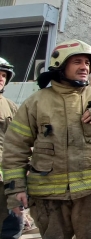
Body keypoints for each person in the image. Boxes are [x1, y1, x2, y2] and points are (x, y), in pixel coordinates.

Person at [2, 39, 91, 239]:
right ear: (61, 65)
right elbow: (15, 147)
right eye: (78, 62)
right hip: (50, 198)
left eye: (87, 63)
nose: (85, 67)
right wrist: (16, 190)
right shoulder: (36, 103)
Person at [0, 58, 22, 239]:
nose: (1, 78)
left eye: (3, 75)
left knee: (11, 225)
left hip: (7, 180)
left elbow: (21, 141)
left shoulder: (10, 107)